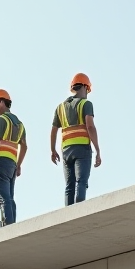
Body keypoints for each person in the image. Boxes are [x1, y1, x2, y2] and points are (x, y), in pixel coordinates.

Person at [50, 72, 101, 205]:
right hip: (82, 148)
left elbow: (54, 130)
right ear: (84, 87)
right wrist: (98, 150)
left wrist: (52, 150)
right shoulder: (86, 104)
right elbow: (90, 127)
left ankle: (68, 213)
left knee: (69, 186)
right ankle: (80, 209)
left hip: (66, 150)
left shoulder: (60, 107)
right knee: (81, 181)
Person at [0, 89, 27, 227]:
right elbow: (24, 146)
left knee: (2, 198)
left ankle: (7, 226)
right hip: (12, 165)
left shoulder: (1, 120)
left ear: (1, 102)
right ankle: (11, 224)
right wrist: (18, 165)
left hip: (0, 163)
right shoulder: (20, 124)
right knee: (9, 198)